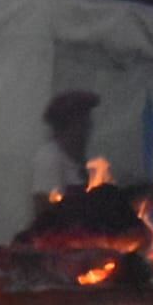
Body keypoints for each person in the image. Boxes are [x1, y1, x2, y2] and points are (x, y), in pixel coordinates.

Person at [32, 89, 100, 219]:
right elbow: (45, 215)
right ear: (68, 125)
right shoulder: (49, 157)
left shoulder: (84, 162)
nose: (89, 127)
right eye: (83, 122)